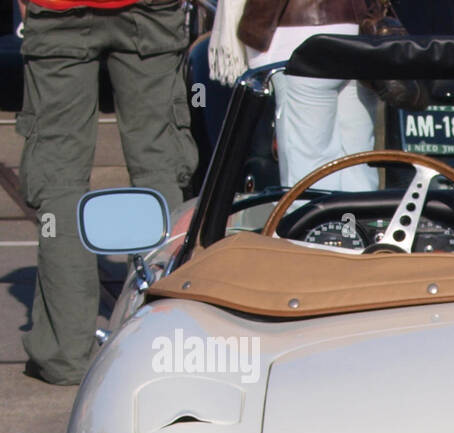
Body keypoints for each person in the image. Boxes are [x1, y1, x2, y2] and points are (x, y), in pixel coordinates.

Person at [17, 0, 198, 386]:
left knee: (59, 178)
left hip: (59, 9)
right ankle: (170, 336)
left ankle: (64, 353)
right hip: (149, 11)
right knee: (160, 167)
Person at [211, 0, 378, 192]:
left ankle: (317, 220)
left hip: (295, 34)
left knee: (308, 170)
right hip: (357, 27)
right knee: (357, 164)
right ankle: (360, 220)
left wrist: (254, 29)